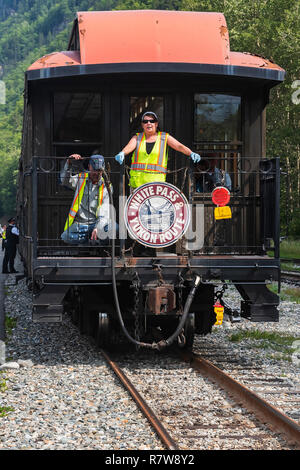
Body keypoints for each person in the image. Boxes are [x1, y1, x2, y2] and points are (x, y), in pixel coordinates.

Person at [114, 111, 201, 190]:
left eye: (152, 121)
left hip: (156, 185)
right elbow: (129, 147)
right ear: (142, 125)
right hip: (137, 184)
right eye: (145, 121)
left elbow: (179, 146)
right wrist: (122, 152)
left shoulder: (164, 137)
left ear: (156, 124)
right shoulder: (137, 137)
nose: (149, 123)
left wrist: (190, 153)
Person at [60, 154, 113, 245]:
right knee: (65, 237)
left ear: (103, 170)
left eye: (99, 171)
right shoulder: (81, 178)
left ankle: (96, 242)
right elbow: (64, 181)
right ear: (89, 167)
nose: (96, 173)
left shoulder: (107, 186)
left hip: (96, 222)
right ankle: (88, 242)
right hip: (80, 224)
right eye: (94, 170)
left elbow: (105, 212)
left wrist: (97, 228)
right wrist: (69, 163)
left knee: (113, 228)